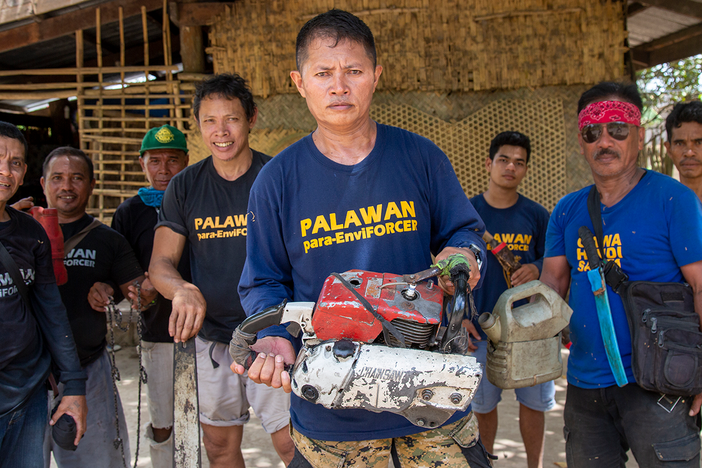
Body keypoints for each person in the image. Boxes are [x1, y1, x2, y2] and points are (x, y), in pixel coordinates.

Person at [233, 9, 492, 468]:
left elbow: (464, 231)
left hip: (432, 401)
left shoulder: (420, 157)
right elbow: (263, 280)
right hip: (331, 412)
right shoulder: (276, 181)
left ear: (376, 76)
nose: (339, 86)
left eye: (353, 71)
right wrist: (274, 335)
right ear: (299, 82)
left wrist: (464, 255)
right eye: (323, 73)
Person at [540, 82, 702, 467]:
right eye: (592, 132)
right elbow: (551, 286)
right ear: (581, 141)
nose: (604, 141)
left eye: (618, 129)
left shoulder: (673, 199)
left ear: (640, 137)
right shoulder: (566, 210)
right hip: (584, 387)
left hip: (657, 383)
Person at [149, 73, 294, 468]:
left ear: (251, 119)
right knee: (219, 448)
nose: (221, 131)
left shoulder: (277, 176)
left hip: (273, 338)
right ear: (198, 125)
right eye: (209, 121)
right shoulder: (184, 186)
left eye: (230, 118)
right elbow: (160, 263)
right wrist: (180, 288)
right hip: (213, 340)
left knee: (292, 445)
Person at [40, 146, 156, 467]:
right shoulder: (23, 233)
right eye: (58, 178)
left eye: (77, 178)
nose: (66, 186)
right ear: (42, 183)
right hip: (24, 377)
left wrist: (116, 291)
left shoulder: (108, 240)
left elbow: (140, 293)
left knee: (99, 461)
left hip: (88, 370)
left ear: (92, 184)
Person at [0, 122, 87, 467]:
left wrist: (75, 386)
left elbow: (51, 311)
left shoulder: (30, 234)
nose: (5, 171)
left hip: (28, 394)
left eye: (16, 163)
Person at [467, 131, 552, 468]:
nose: (510, 167)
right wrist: (458, 317)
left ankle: (536, 465)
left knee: (533, 404)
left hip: (528, 329)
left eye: (519, 162)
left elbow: (556, 262)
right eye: (504, 160)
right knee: (483, 407)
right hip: (481, 328)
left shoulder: (536, 215)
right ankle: (486, 463)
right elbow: (444, 266)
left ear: (525, 169)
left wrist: (535, 267)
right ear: (489, 164)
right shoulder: (468, 213)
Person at [111, 124, 190, 468]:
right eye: (154, 160)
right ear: (141, 164)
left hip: (207, 333)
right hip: (158, 333)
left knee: (210, 421)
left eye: (172, 160)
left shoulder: (199, 204)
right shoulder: (129, 213)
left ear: (187, 161)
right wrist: (132, 289)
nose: (163, 169)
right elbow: (117, 273)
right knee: (163, 423)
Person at [665, 101, 702, 201]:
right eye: (680, 143)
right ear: (669, 149)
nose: (689, 152)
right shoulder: (662, 206)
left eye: (698, 142)